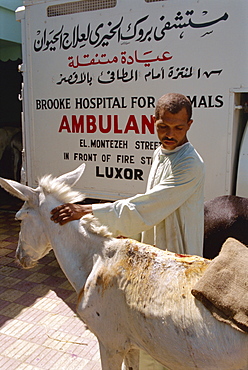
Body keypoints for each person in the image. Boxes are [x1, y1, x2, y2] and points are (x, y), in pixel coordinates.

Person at [51, 92, 205, 369]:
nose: (170, 134)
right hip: (154, 246)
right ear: (152, 122)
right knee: (147, 319)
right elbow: (146, 206)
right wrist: (130, 234)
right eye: (163, 126)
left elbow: (146, 207)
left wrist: (86, 210)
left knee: (171, 326)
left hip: (176, 251)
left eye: (178, 128)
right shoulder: (161, 153)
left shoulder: (190, 164)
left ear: (189, 125)